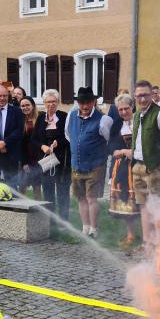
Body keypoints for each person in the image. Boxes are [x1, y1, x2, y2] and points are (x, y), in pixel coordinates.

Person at [130, 80, 160, 245]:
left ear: (152, 95)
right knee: (143, 206)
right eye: (139, 96)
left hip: (155, 167)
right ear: (135, 96)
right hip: (137, 166)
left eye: (145, 95)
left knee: (156, 205)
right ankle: (147, 242)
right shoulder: (137, 115)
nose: (142, 99)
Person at [66, 87, 113, 238]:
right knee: (81, 198)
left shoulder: (104, 119)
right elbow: (68, 135)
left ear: (93, 102)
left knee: (91, 198)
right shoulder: (71, 116)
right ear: (78, 103)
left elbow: (108, 139)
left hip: (95, 166)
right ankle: (85, 228)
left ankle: (94, 229)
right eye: (82, 103)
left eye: (88, 102)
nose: (85, 106)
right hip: (76, 164)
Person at [108, 93, 139, 247]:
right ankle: (131, 234)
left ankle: (150, 235)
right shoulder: (116, 125)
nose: (124, 112)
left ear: (132, 107)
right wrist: (124, 151)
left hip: (140, 165)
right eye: (120, 110)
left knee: (145, 201)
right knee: (127, 201)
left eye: (126, 108)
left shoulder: (140, 122)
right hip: (122, 168)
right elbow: (110, 149)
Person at [35, 89, 71, 221]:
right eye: (48, 102)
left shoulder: (64, 117)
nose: (51, 104)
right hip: (47, 161)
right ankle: (50, 220)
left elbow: (69, 137)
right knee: (48, 191)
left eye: (54, 101)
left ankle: (63, 220)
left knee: (63, 192)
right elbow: (34, 139)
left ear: (58, 102)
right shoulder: (40, 118)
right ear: (44, 103)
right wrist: (42, 146)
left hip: (63, 161)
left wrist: (58, 142)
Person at [18, 96, 43, 199]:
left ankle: (37, 207)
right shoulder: (20, 120)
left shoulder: (41, 117)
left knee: (37, 186)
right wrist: (24, 162)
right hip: (26, 158)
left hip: (39, 157)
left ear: (33, 105)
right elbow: (20, 144)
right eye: (22, 106)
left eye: (27, 105)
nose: (25, 107)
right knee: (22, 185)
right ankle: (21, 206)